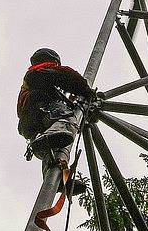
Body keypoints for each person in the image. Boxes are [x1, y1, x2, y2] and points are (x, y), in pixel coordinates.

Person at [17, 48, 94, 194]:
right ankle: (49, 136)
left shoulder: (32, 76)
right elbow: (66, 76)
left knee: (52, 149)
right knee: (68, 120)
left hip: (31, 122)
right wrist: (83, 88)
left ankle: (55, 178)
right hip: (42, 106)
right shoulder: (42, 70)